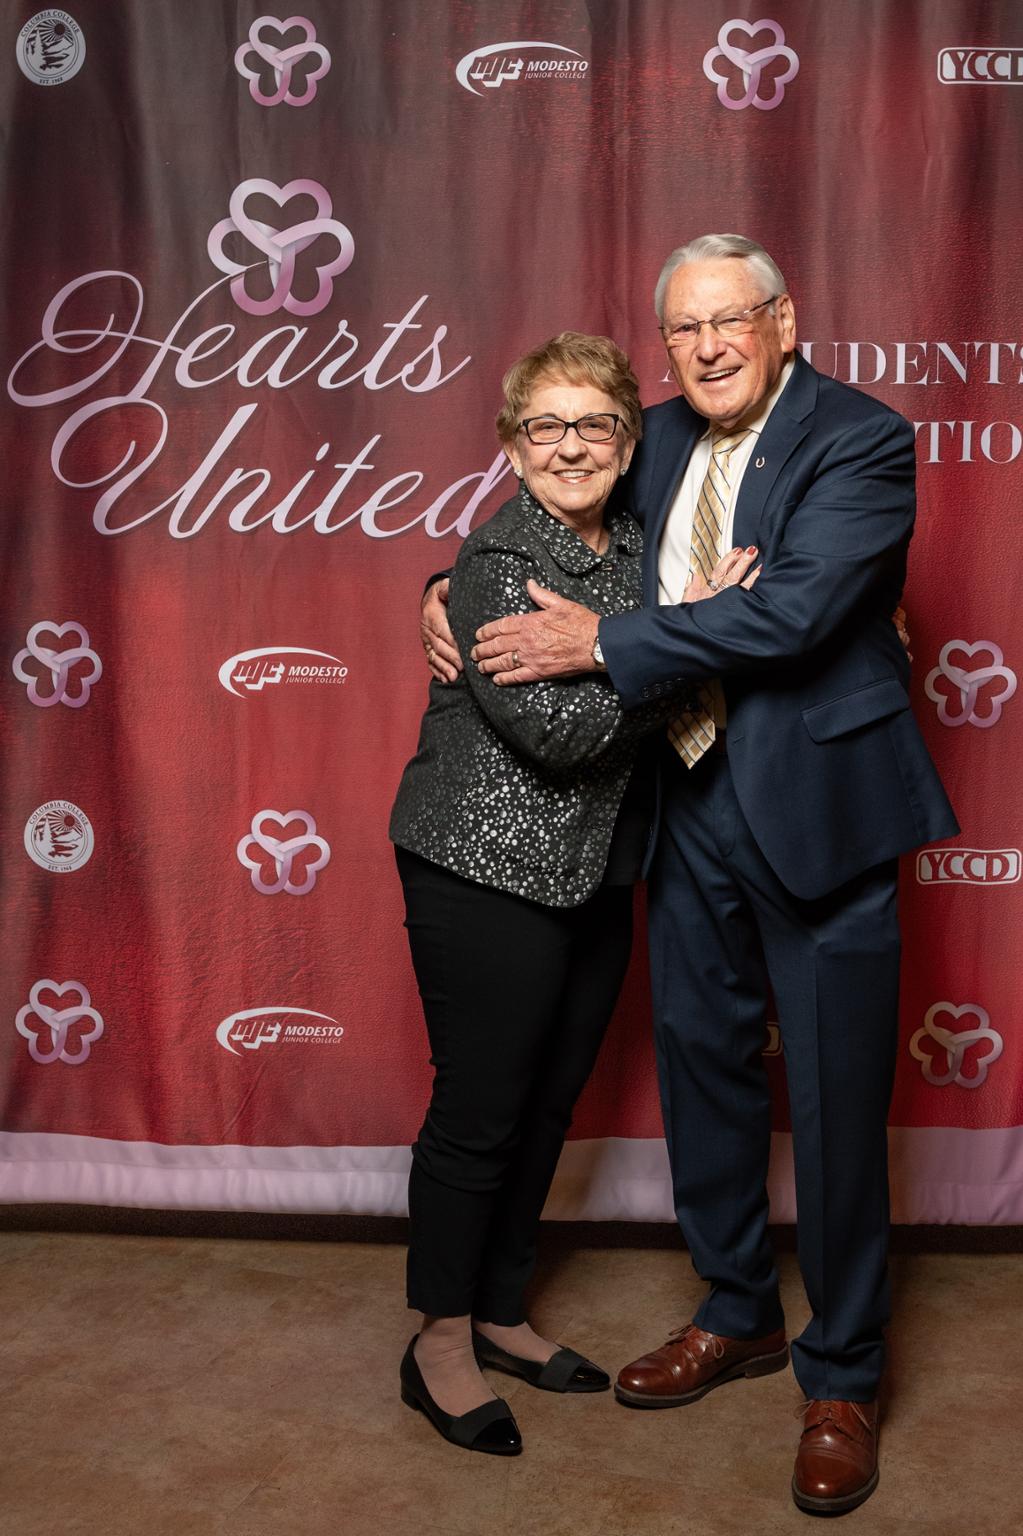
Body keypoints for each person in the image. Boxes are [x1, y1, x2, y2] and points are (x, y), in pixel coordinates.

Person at [424, 236, 958, 1512]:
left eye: (731, 321)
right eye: (684, 330)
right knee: (705, 1068)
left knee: (831, 1099)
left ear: (784, 321)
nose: (708, 347)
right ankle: (735, 1310)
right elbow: (545, 517)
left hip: (817, 801)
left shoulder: (862, 439)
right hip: (682, 793)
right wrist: (445, 581)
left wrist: (609, 637)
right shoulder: (651, 436)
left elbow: (796, 614)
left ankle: (841, 1371)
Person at [391, 329, 757, 1458]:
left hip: (597, 869)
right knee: (482, 1109)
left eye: (594, 423)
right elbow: (561, 733)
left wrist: (660, 633)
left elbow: (632, 661)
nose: (569, 446)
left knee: (549, 1102)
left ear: (627, 440)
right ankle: (436, 1341)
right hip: (480, 864)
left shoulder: (643, 542)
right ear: (510, 445)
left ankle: (500, 1307)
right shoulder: (500, 564)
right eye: (544, 425)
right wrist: (690, 646)